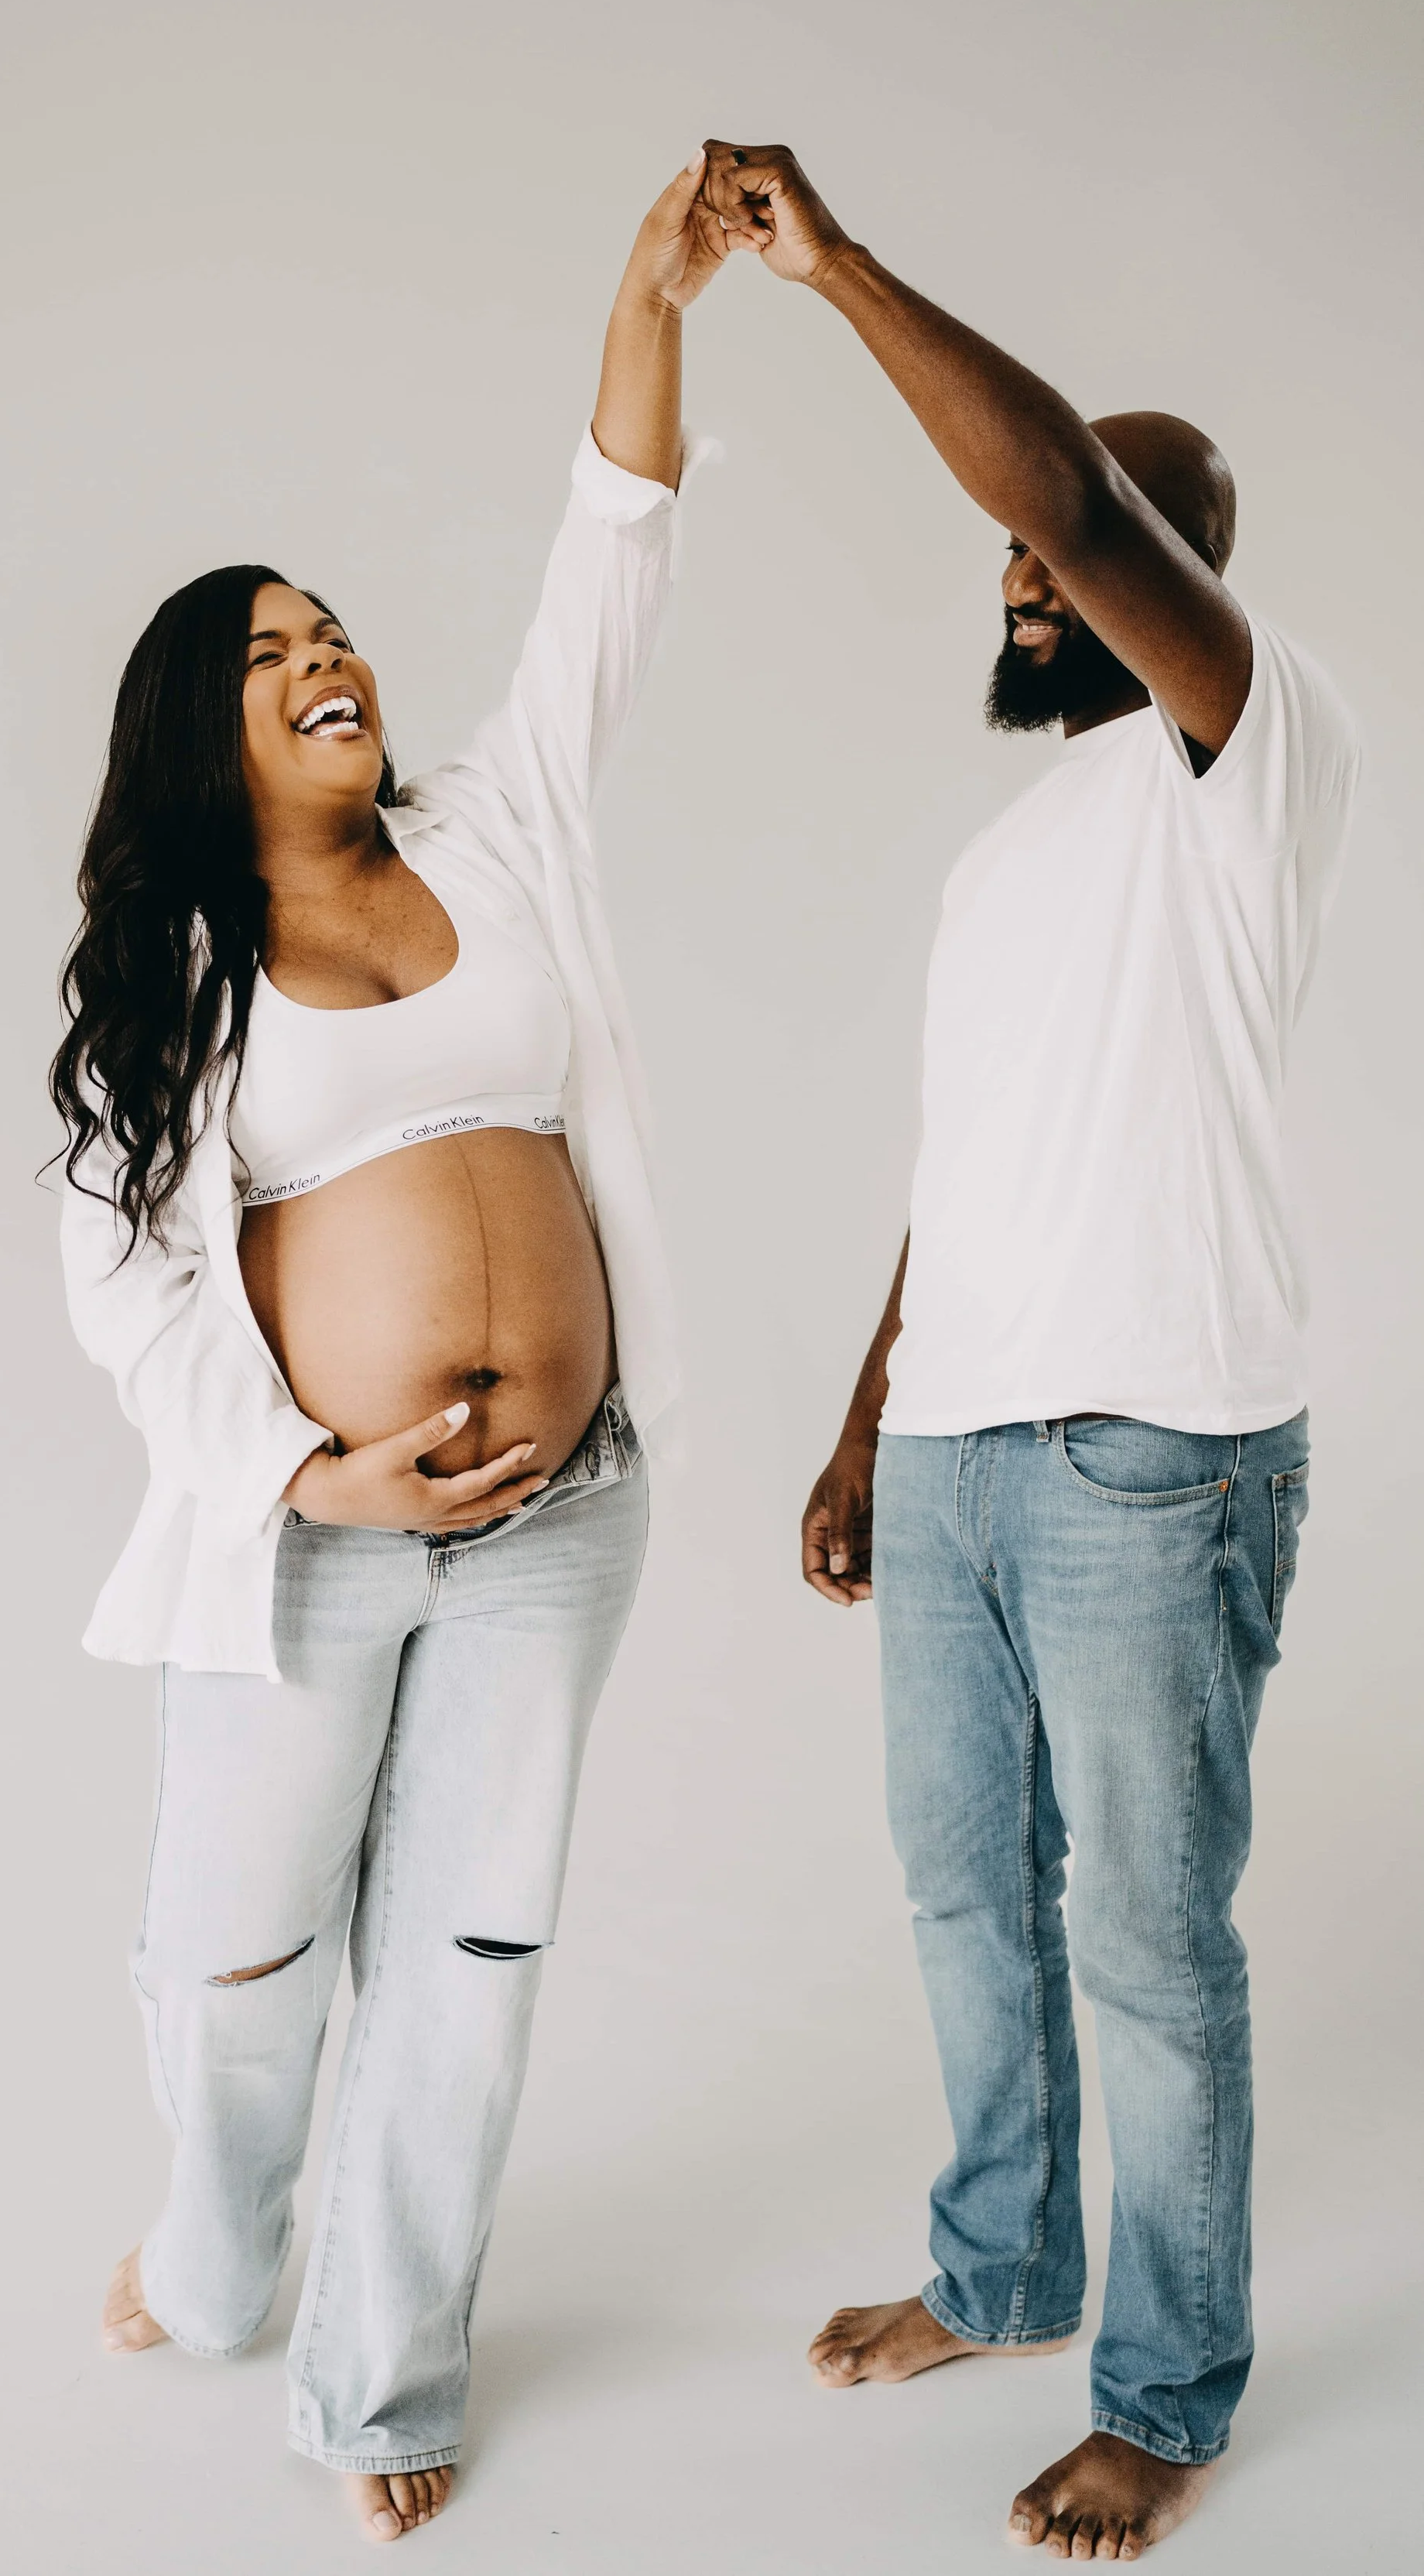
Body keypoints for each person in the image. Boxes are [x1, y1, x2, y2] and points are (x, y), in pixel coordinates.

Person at [50, 155, 745, 2546]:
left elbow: (607, 564)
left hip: (566, 1515)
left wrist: (645, 292)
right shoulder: (182, 978)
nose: (323, 652)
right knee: (247, 1956)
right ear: (200, 738)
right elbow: (125, 1281)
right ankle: (219, 2237)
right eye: (266, 652)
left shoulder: (504, 834)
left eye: (329, 624)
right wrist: (294, 1480)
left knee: (464, 1950)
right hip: (312, 1542)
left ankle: (381, 2371)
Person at [703, 142, 1360, 2560]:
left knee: (1145, 1942)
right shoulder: (1008, 858)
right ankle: (1001, 2268)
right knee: (965, 1891)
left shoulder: (1246, 743)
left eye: (1067, 548)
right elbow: (952, 1170)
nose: (1023, 569)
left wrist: (833, 265)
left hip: (1145, 1451)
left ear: (1171, 576)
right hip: (971, 1444)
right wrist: (869, 1423)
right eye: (1010, 560)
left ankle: (1165, 2394)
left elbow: (1075, 484)